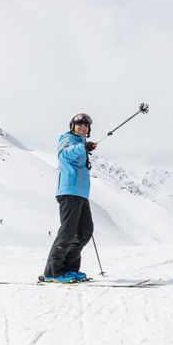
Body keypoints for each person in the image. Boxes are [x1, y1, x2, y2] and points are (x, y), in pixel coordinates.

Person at [42, 113, 97, 283]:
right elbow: (65, 154)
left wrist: (84, 148)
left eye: (86, 125)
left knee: (84, 232)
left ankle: (71, 269)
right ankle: (53, 272)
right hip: (69, 191)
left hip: (81, 193)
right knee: (67, 233)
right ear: (72, 126)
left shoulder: (81, 143)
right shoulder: (67, 139)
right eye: (79, 124)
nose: (83, 127)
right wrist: (83, 148)